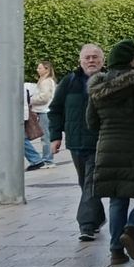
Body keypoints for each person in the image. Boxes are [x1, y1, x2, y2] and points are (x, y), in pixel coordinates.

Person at [87, 40, 134, 265]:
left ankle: (116, 251)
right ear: (131, 60)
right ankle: (131, 230)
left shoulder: (97, 87)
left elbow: (91, 122)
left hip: (108, 147)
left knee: (117, 198)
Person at [49, 44, 107, 241]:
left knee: (91, 182)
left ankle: (87, 224)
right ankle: (97, 217)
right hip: (76, 142)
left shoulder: (109, 81)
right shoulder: (69, 82)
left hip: (100, 141)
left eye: (95, 57)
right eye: (87, 57)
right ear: (80, 61)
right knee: (85, 182)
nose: (91, 61)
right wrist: (55, 136)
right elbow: (55, 109)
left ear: (102, 60)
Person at [31, 61, 58, 165]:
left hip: (44, 110)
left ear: (46, 69)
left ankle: (48, 159)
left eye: (40, 68)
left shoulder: (46, 81)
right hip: (43, 110)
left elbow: (44, 97)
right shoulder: (45, 80)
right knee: (46, 135)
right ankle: (47, 157)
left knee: (46, 136)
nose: (38, 70)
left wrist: (31, 99)